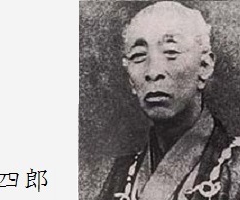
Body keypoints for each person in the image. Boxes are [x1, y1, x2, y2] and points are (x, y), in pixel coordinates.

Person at [97, 2, 240, 200]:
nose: (153, 72)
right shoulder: (120, 175)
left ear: (205, 66)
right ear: (130, 80)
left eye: (171, 52)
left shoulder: (234, 168)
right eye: (138, 56)